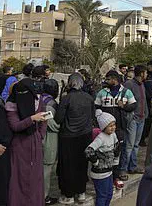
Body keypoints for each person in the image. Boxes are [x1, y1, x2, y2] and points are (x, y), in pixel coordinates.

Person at [5, 78, 48, 206]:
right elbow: (16, 126)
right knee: (18, 178)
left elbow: (44, 118)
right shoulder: (11, 105)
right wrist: (32, 119)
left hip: (35, 143)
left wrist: (40, 135)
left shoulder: (38, 101)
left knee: (35, 178)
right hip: (19, 145)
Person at [55, 73, 95, 204]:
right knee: (82, 164)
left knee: (68, 166)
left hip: (68, 137)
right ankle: (81, 192)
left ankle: (69, 194)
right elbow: (92, 115)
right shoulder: (89, 98)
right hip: (85, 135)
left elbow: (59, 118)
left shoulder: (66, 99)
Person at [86, 110, 120, 206]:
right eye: (110, 126)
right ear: (104, 127)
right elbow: (89, 151)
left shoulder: (113, 135)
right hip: (100, 174)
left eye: (114, 124)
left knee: (109, 193)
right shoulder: (100, 138)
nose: (113, 127)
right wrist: (96, 162)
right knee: (102, 195)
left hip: (109, 170)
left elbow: (117, 146)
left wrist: (116, 161)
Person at [122, 65, 148, 175]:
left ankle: (132, 166)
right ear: (141, 73)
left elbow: (144, 101)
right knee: (129, 145)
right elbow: (124, 101)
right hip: (132, 119)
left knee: (136, 145)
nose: (146, 75)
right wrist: (130, 115)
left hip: (141, 118)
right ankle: (123, 169)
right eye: (145, 73)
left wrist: (146, 113)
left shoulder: (142, 85)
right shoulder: (129, 85)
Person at [41, 79, 60, 205]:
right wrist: (61, 127)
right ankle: (44, 196)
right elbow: (48, 121)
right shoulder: (50, 103)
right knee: (46, 170)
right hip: (48, 138)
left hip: (37, 137)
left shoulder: (39, 98)